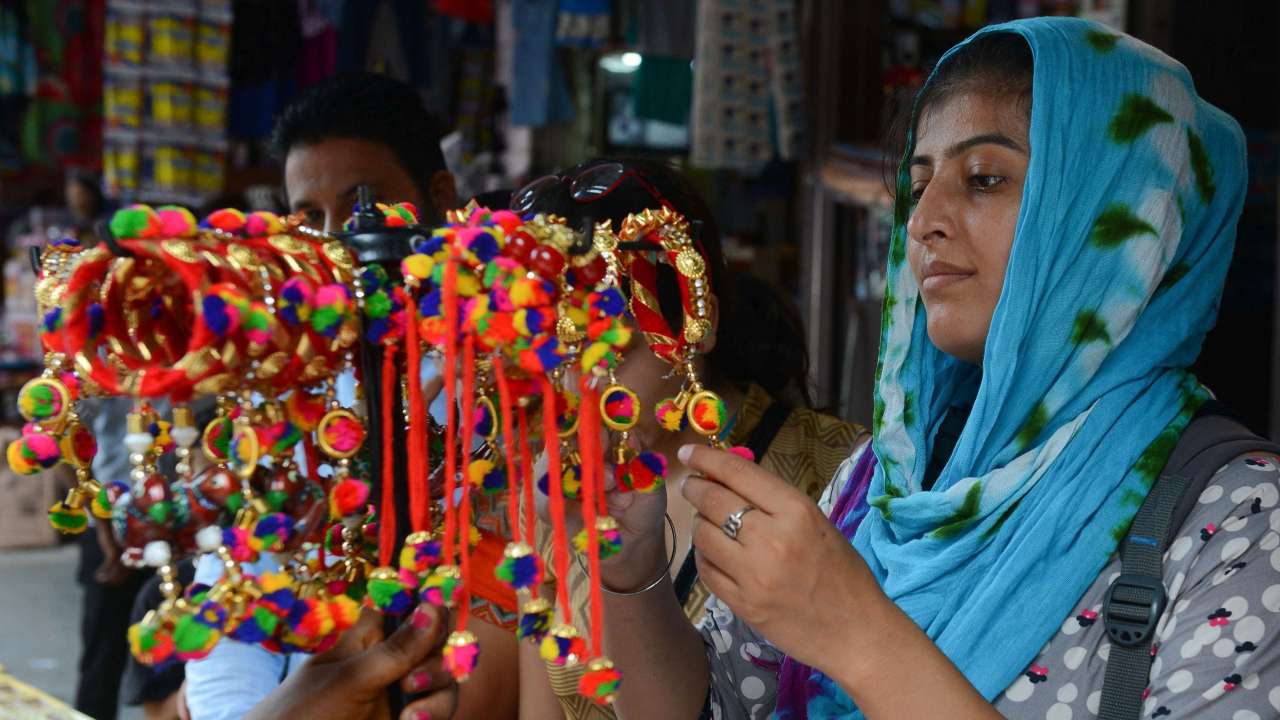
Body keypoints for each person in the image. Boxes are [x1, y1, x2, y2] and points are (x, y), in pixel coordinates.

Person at [596, 17, 1278, 718]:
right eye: (918, 184)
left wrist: (857, 634)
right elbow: (716, 709)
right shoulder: (886, 474)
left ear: (1120, 216)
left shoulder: (1240, 517)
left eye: (985, 179)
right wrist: (631, 571)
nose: (923, 221)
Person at [184, 71, 519, 720]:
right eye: (311, 217)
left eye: (366, 203)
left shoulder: (507, 383)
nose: (339, 240)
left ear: (440, 199)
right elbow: (233, 596)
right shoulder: (287, 394)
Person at [509, 158, 870, 718]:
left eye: (612, 353)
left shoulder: (843, 475)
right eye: (556, 358)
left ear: (700, 322)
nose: (580, 388)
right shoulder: (557, 489)